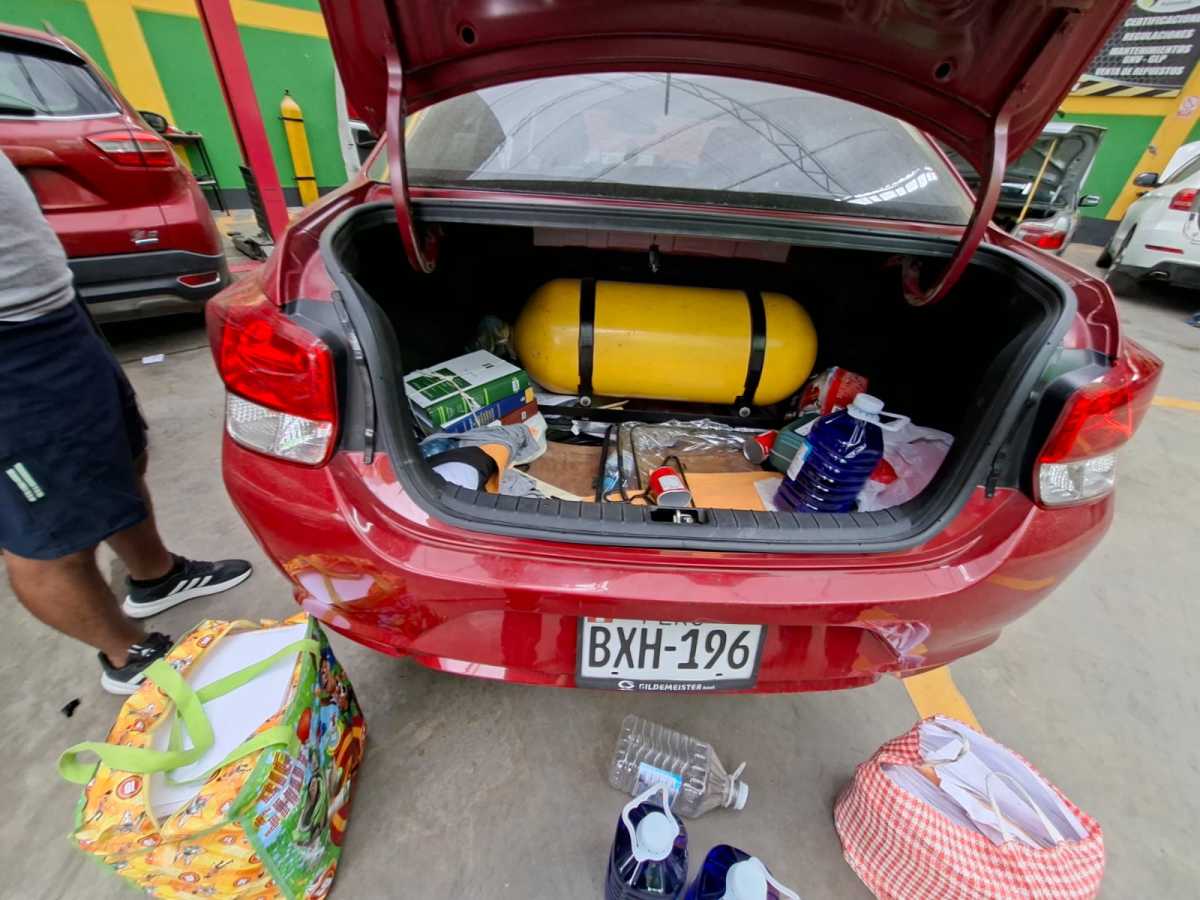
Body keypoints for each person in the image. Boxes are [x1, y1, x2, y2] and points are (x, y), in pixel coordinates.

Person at [0, 150, 252, 694]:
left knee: (122, 454)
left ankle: (156, 576)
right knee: (50, 534)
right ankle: (126, 653)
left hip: (53, 311)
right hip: (10, 352)